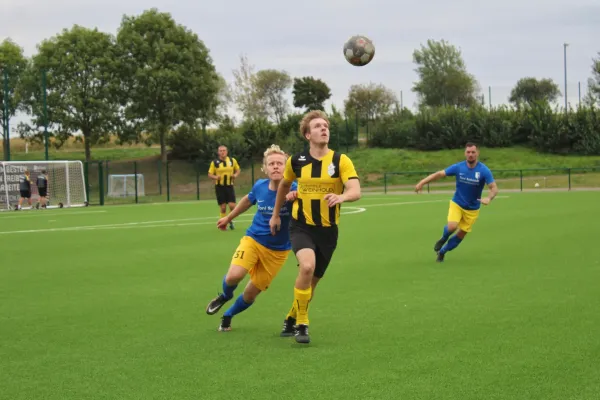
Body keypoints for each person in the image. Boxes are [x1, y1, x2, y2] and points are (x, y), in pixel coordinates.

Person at [269, 110, 361, 344]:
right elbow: (283, 186)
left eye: (326, 125)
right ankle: (302, 323)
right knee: (307, 267)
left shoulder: (341, 161)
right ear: (308, 134)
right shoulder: (296, 161)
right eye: (318, 126)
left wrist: (342, 198)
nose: (324, 128)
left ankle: (291, 317)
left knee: (312, 282)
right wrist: (275, 215)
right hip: (301, 226)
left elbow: (355, 190)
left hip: (328, 231)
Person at [205, 144, 298, 332]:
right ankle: (225, 295)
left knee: (250, 294)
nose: (275, 167)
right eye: (271, 163)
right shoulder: (260, 186)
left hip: (278, 252)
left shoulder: (296, 188)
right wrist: (228, 218)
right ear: (265, 168)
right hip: (253, 240)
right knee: (233, 276)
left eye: (280, 163)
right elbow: (247, 201)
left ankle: (228, 316)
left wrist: (298, 197)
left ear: (287, 167)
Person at [415, 142, 499, 262]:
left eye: (473, 152)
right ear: (465, 153)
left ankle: (442, 252)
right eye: (468, 152)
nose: (470, 155)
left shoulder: (484, 170)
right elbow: (440, 174)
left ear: (477, 153)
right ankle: (443, 238)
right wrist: (422, 182)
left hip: (472, 210)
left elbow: (494, 188)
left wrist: (489, 198)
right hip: (457, 204)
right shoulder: (459, 167)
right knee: (452, 226)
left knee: (461, 235)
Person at [208, 145, 240, 230]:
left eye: (224, 150)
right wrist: (215, 177)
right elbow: (210, 174)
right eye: (221, 151)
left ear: (227, 151)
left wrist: (235, 175)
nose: (222, 152)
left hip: (229, 186)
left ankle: (230, 220)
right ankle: (222, 225)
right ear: (218, 152)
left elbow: (238, 170)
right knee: (223, 207)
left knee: (232, 206)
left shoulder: (232, 161)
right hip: (219, 187)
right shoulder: (214, 162)